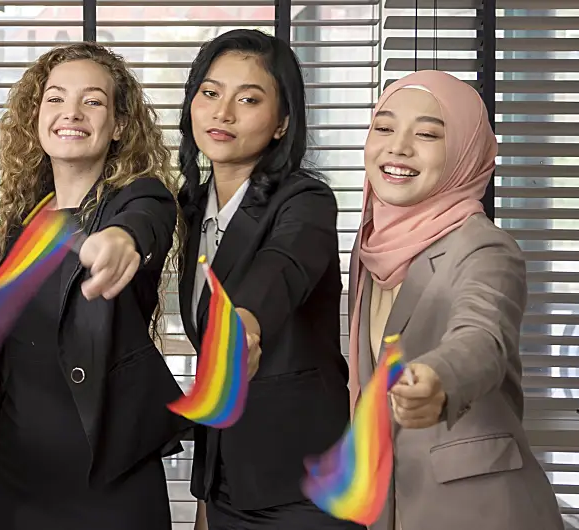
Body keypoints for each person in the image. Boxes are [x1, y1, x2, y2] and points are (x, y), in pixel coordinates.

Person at [0, 42, 186, 530]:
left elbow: (145, 221)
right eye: (55, 98)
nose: (71, 112)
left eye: (93, 100)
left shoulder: (142, 198)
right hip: (12, 481)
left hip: (108, 484)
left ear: (120, 124)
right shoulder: (23, 226)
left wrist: (120, 240)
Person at [349, 70, 563, 530]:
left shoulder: (484, 247)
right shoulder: (369, 249)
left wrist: (439, 378)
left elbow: (484, 337)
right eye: (383, 128)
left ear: (466, 152)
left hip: (482, 511)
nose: (398, 147)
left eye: (426, 134)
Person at [176, 30, 359, 530]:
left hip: (304, 488)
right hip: (228, 485)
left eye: (249, 99)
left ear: (281, 124)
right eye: (210, 93)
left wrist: (245, 326)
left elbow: (281, 268)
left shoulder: (306, 202)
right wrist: (204, 495)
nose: (223, 113)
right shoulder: (191, 209)